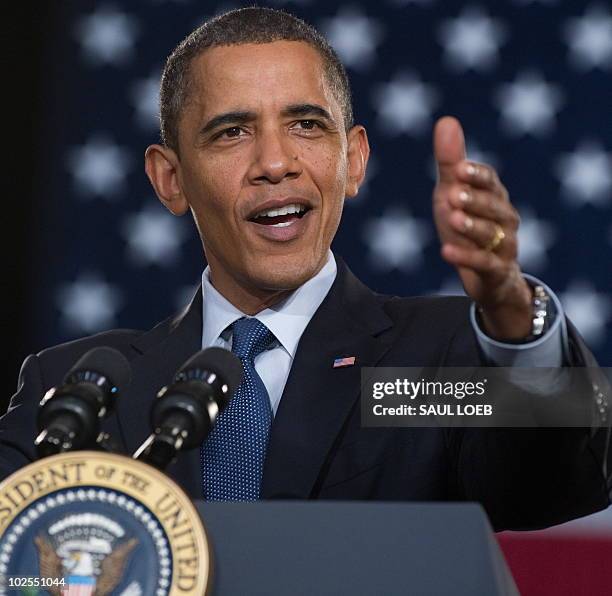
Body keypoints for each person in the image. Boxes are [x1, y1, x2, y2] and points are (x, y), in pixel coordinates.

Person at [2, 7, 610, 530]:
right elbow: (21, 568)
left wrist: (511, 313)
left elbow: (556, 481)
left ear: (354, 160)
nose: (275, 162)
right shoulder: (80, 393)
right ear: (170, 178)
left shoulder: (427, 367)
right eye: (232, 132)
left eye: (306, 125)